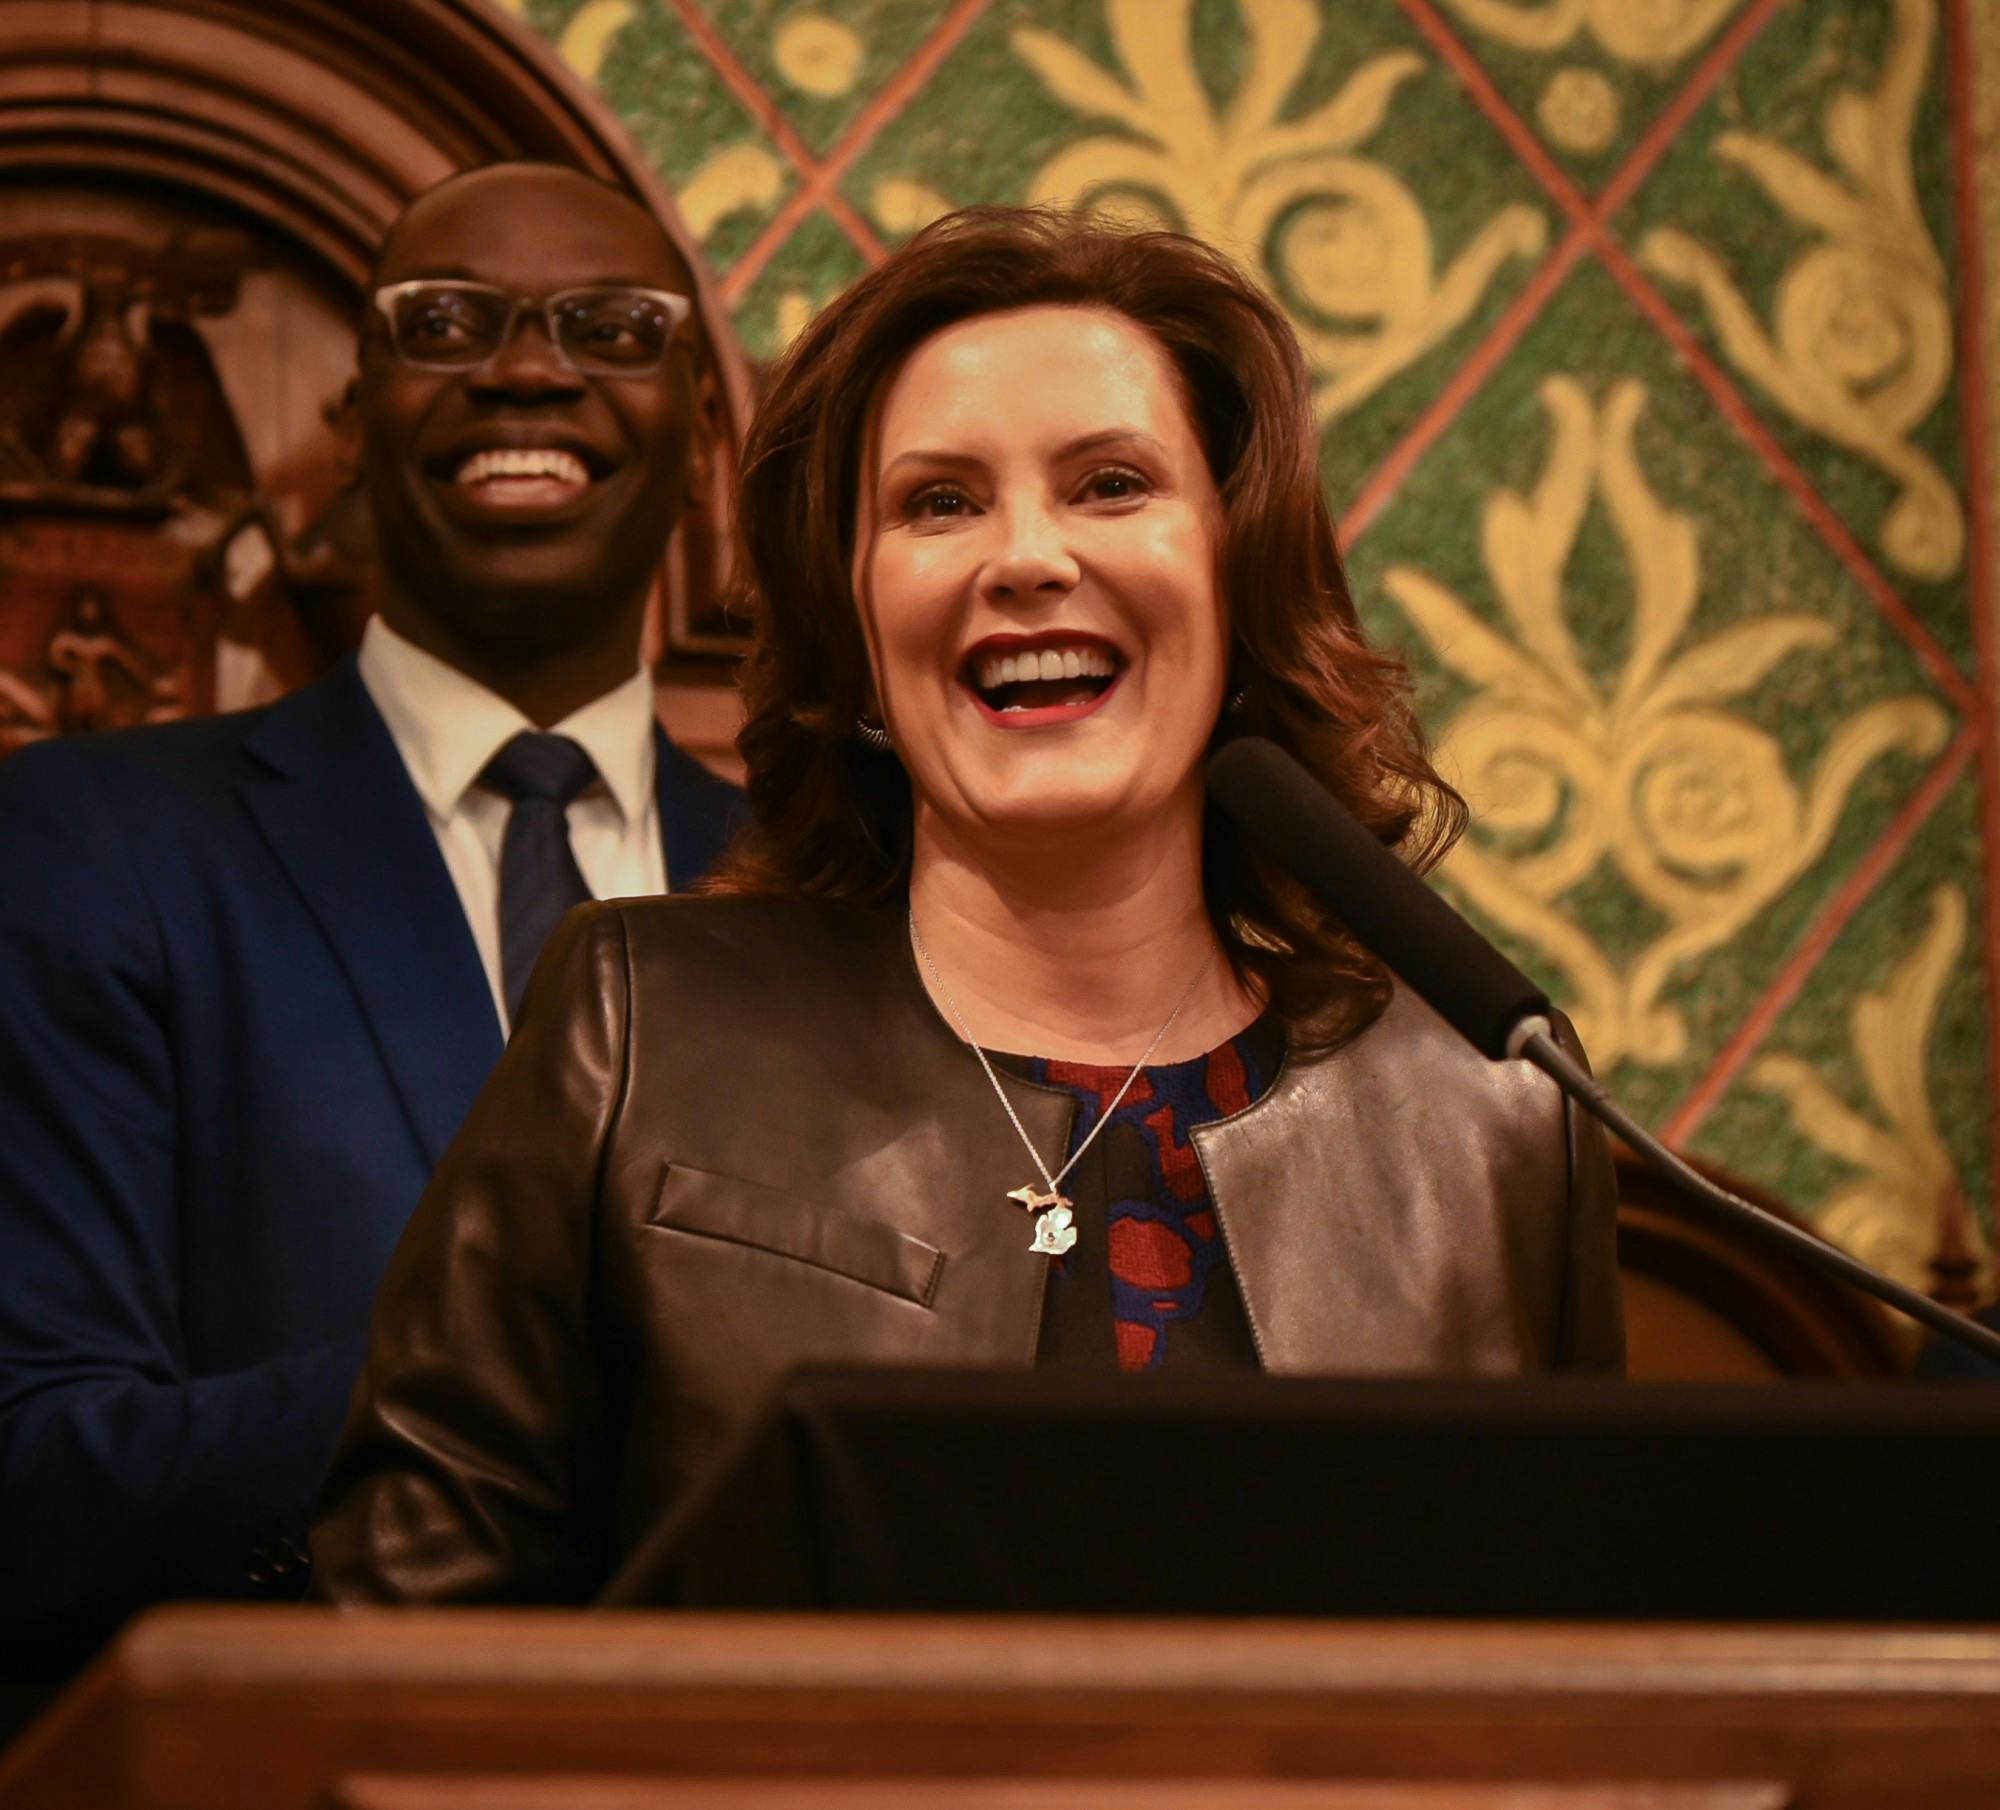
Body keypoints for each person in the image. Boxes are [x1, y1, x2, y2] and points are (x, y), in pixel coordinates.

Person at [309, 206, 1622, 1606]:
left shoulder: (1493, 1114)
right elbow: (402, 1635)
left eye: (1111, 483)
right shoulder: (639, 1027)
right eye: (940, 502)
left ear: (1234, 576)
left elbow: (1593, 1683)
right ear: (857, 628)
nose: (1026, 557)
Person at [0, 162, 744, 1656]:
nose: (529, 368)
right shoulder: (90, 845)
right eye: (447, 322)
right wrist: (510, 1371)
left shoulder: (828, 889)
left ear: (701, 432)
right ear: (348, 428)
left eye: (610, 327)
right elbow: (36, 1475)